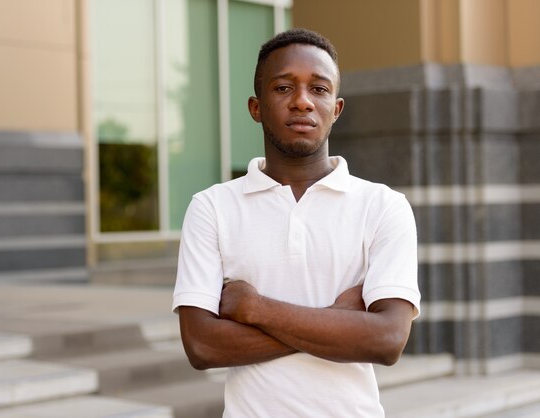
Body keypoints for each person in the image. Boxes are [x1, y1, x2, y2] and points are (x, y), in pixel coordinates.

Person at [172, 28, 420, 417]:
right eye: (284, 88)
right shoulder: (212, 207)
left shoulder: (383, 206)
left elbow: (388, 340)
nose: (302, 102)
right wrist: (340, 322)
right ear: (256, 108)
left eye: (319, 89)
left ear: (335, 109)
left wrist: (255, 309)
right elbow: (203, 346)